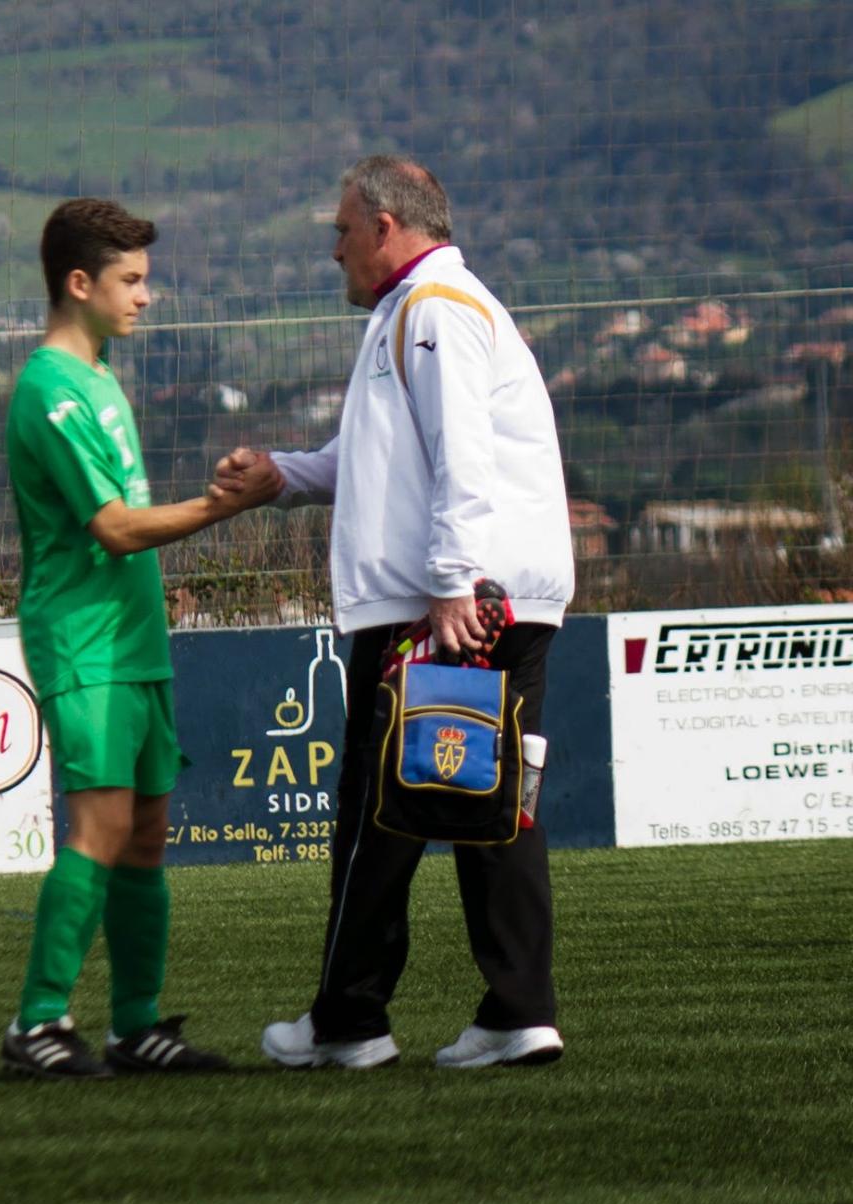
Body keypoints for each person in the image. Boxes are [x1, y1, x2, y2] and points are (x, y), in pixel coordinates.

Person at [218, 155, 574, 1070]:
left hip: (444, 605)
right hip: (499, 598)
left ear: (385, 227)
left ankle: (350, 1021)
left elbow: (463, 455)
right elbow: (379, 458)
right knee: (494, 806)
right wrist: (284, 477)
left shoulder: (432, 313)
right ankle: (518, 1010)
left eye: (341, 230)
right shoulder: (428, 312)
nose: (332, 249)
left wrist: (452, 583)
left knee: (379, 809)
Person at [0, 197, 283, 1080]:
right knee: (101, 826)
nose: (145, 298)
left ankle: (136, 1026)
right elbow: (115, 529)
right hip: (84, 643)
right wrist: (217, 507)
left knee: (149, 831)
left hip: (135, 640)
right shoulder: (49, 389)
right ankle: (38, 1024)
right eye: (130, 281)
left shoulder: (102, 379)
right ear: (78, 284)